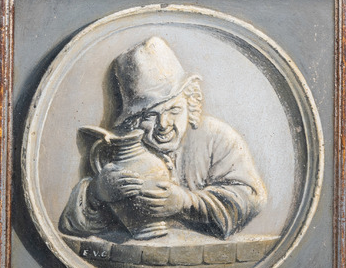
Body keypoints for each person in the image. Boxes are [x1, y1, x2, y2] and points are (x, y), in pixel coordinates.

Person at [60, 36, 267, 240]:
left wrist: (185, 202)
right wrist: (97, 192)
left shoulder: (218, 138)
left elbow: (250, 198)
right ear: (134, 119)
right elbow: (70, 224)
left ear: (190, 103)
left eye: (174, 109)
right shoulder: (118, 150)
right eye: (150, 115)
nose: (164, 124)